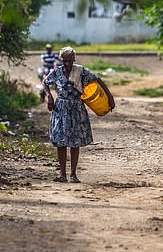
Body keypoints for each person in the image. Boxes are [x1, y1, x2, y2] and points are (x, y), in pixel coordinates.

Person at [42, 46, 115, 183]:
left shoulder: (80, 71)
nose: (68, 64)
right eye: (65, 61)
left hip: (76, 108)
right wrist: (49, 97)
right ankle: (62, 174)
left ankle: (73, 175)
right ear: (61, 59)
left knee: (75, 142)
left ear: (74, 59)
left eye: (70, 61)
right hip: (61, 108)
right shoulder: (57, 72)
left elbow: (97, 80)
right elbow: (45, 82)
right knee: (61, 142)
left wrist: (109, 97)